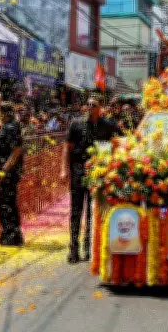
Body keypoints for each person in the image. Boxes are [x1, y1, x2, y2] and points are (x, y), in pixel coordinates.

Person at [61, 97, 120, 263]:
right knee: (76, 210)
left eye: (93, 105)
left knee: (92, 211)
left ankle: (89, 247)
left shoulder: (108, 125)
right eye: (87, 104)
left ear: (100, 108)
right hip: (78, 170)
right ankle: (73, 247)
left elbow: (120, 142)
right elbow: (67, 147)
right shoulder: (76, 124)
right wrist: (63, 169)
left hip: (97, 173)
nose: (89, 107)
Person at [0, 102, 24, 246]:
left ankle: (11, 235)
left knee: (5, 203)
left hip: (8, 173)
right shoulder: (7, 126)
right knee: (6, 202)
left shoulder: (11, 127)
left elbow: (16, 151)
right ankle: (10, 234)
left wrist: (3, 171)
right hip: (7, 172)